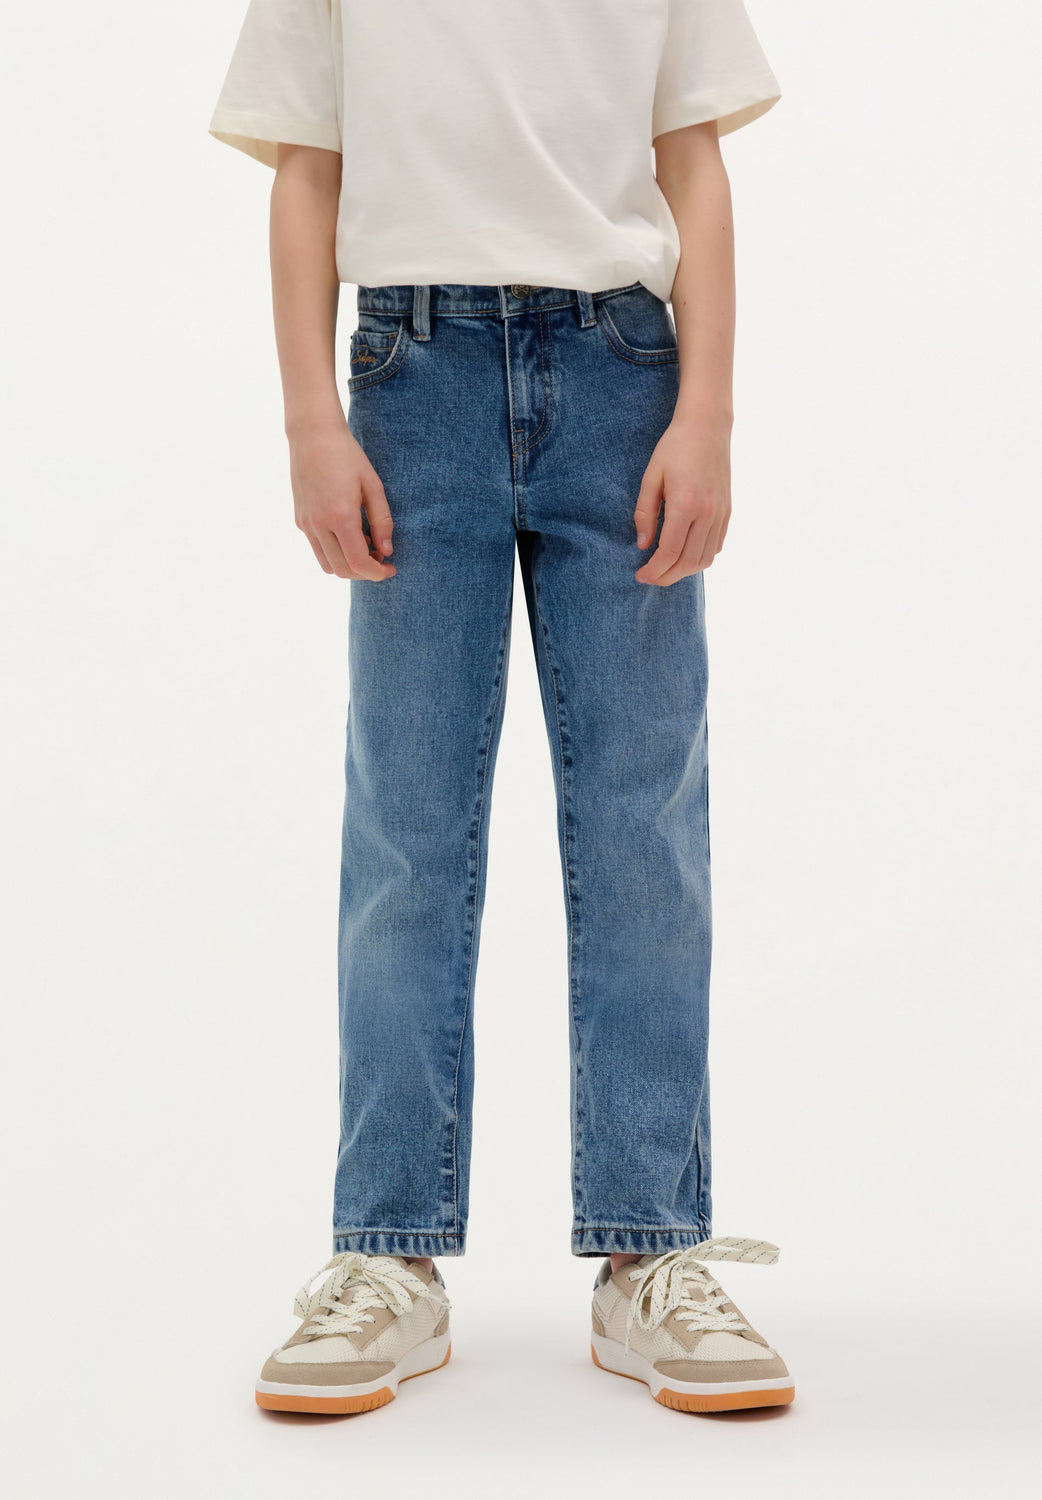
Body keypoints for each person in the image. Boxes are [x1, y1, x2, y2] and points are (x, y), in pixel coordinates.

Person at [208, 0, 794, 1416]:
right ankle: (386, 1255)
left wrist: (706, 413)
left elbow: (693, 159)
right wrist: (310, 421)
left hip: (623, 372)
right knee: (407, 833)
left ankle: (651, 1249)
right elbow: (305, 167)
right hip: (412, 377)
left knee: (642, 830)